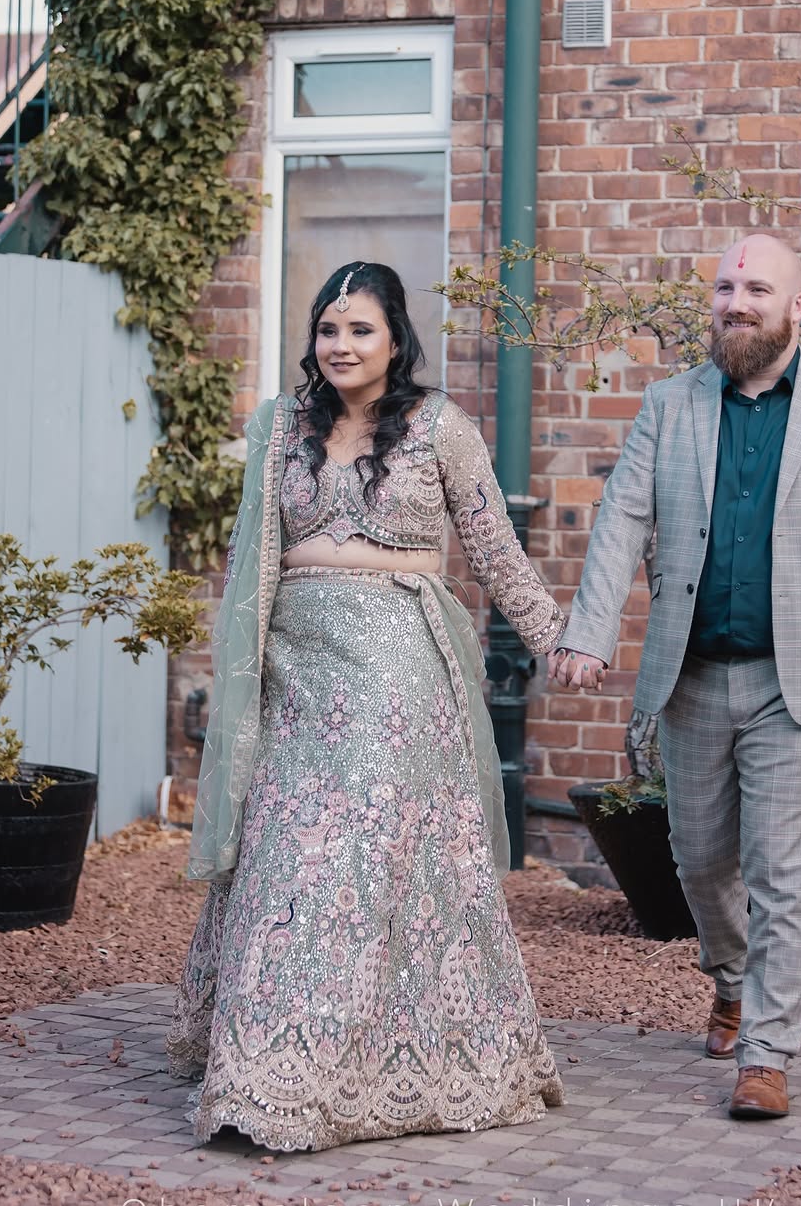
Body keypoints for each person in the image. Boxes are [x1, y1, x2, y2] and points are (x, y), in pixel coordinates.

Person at [167, 261, 565, 1151]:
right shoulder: (280, 428)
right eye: (328, 329)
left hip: (396, 677)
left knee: (350, 859)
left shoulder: (440, 429)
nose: (340, 346)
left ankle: (360, 1068)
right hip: (295, 668)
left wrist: (554, 637)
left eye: (361, 330)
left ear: (396, 341)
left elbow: (495, 548)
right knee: (280, 850)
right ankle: (266, 1071)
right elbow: (250, 559)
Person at [550, 233, 801, 1121]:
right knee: (700, 860)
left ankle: (766, 1050)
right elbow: (621, 521)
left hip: (797, 681)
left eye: (759, 287)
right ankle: (730, 978)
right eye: (727, 286)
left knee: (785, 868)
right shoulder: (669, 405)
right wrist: (590, 630)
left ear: (799, 305)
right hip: (690, 674)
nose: (738, 301)